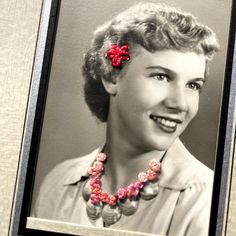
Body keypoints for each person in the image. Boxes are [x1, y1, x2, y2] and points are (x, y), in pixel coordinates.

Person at [33, 3, 219, 236]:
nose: (180, 104)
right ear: (112, 76)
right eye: (161, 76)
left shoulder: (207, 199)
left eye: (193, 85)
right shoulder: (58, 183)